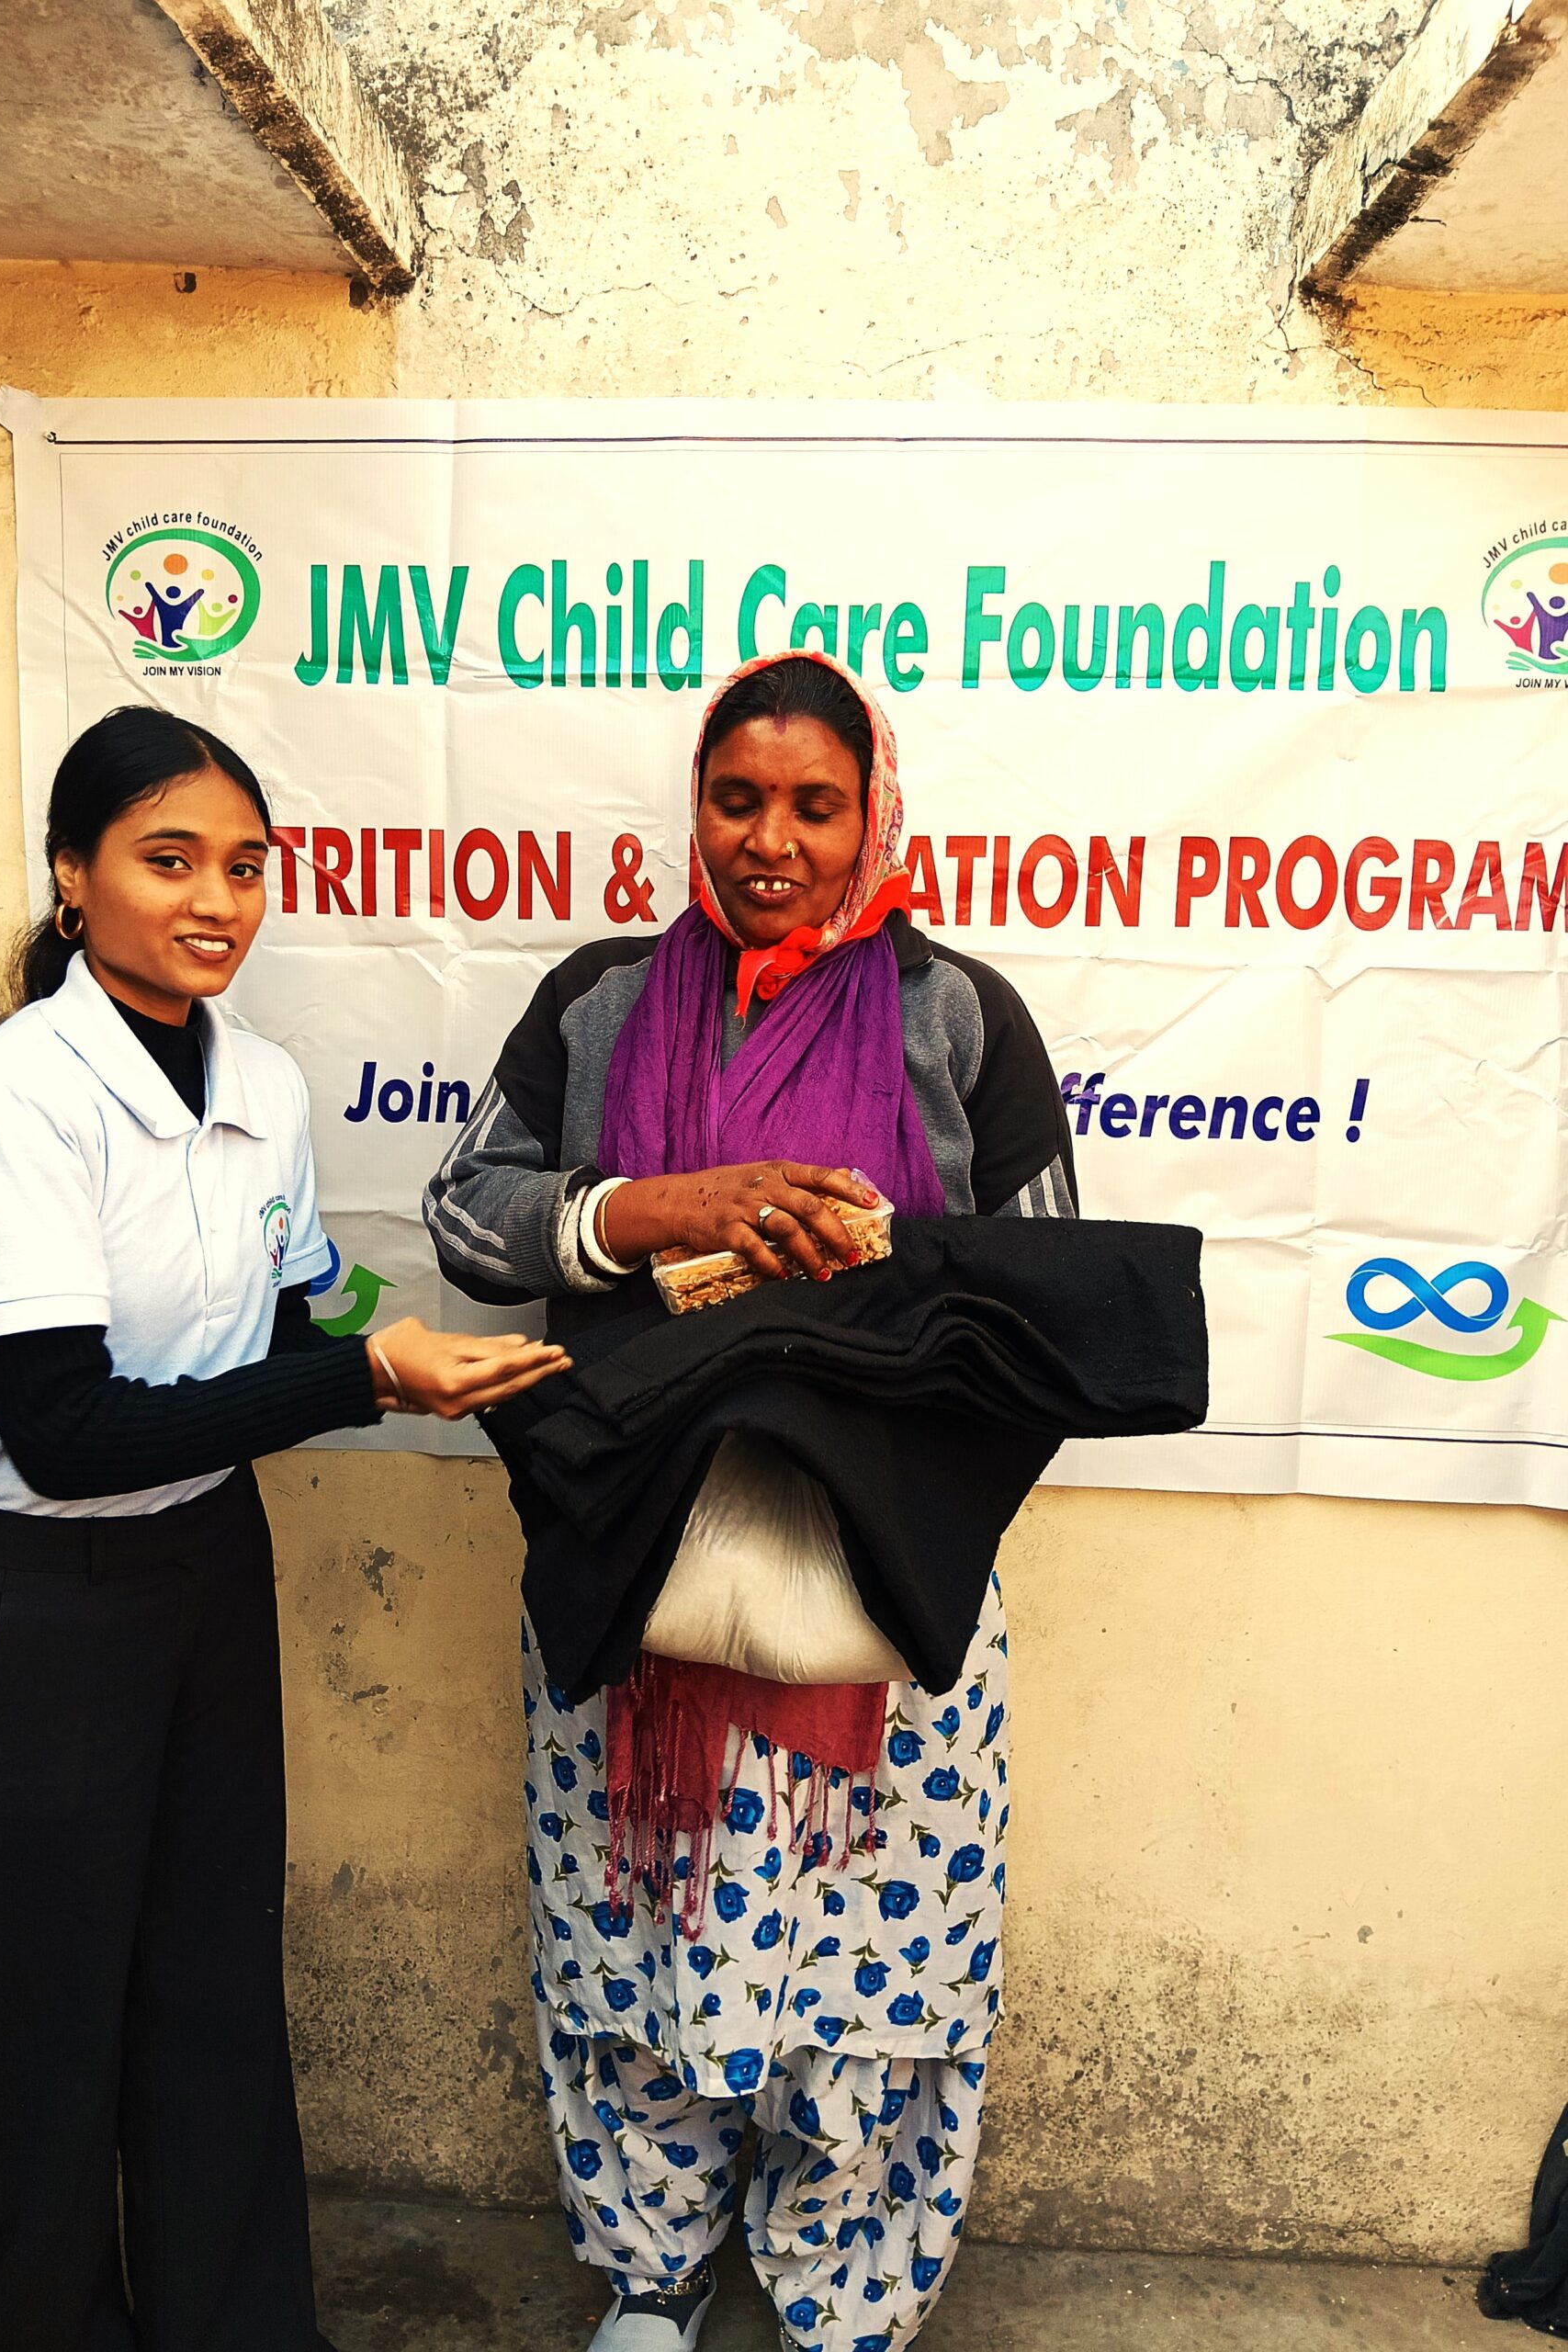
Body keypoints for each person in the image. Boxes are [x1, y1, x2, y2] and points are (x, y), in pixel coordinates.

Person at [424, 650, 1075, 2352]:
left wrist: (860, 1293)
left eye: (813, 804)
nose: (770, 840)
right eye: (737, 799)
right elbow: (468, 1219)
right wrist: (661, 1209)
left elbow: (1055, 1300)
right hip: (641, 1578)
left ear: (874, 815)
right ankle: (650, 2278)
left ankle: (837, 2299)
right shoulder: (601, 1005)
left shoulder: (960, 1019)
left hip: (879, 1605)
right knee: (633, 1949)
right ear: (694, 809)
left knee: (869, 1973)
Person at [0, 705, 566, 2352]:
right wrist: (361, 1376)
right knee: (41, 2030)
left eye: (246, 866)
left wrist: (412, 1365)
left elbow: (281, 1327)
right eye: (167, 859)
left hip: (204, 1572)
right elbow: (60, 1432)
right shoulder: (11, 1100)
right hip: (34, 1601)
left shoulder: (261, 1083)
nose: (216, 900)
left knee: (207, 1991)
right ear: (73, 878)